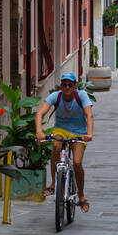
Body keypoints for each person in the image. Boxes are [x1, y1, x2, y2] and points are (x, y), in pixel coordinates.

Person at [35, 72, 93, 212]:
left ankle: (81, 196)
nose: (67, 87)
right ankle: (54, 184)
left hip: (79, 132)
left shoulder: (82, 96)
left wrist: (89, 134)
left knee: (77, 162)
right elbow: (39, 113)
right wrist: (39, 131)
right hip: (61, 129)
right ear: (61, 86)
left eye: (70, 85)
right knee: (56, 146)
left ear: (75, 86)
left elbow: (89, 115)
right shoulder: (56, 96)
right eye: (64, 84)